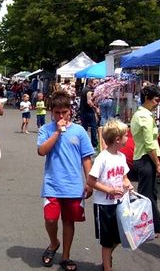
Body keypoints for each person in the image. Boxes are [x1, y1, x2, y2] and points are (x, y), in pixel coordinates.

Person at [37, 90, 95, 271]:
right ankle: (54, 243)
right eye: (57, 113)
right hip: (52, 184)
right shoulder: (45, 130)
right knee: (51, 219)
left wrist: (90, 181)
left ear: (70, 110)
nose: (61, 116)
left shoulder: (79, 131)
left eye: (64, 112)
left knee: (69, 221)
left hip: (73, 186)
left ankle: (66, 256)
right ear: (51, 112)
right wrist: (57, 133)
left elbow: (86, 158)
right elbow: (41, 151)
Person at [87, 119, 133, 271]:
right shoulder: (102, 158)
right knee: (107, 241)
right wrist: (109, 191)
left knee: (119, 236)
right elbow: (91, 181)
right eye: (126, 135)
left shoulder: (121, 157)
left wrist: (127, 184)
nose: (128, 137)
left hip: (119, 204)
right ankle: (107, 267)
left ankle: (106, 259)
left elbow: (124, 177)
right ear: (118, 139)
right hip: (104, 206)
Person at [130, 84, 160, 235]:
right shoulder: (144, 116)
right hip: (145, 158)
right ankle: (144, 226)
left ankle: (155, 225)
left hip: (144, 157)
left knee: (150, 194)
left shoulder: (142, 114)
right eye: (156, 100)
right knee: (146, 195)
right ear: (147, 99)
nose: (157, 103)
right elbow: (149, 145)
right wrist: (158, 164)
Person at [79, 79, 99, 148]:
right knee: (93, 127)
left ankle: (82, 142)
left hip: (83, 111)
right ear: (90, 82)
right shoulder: (89, 91)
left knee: (84, 128)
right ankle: (94, 143)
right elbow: (89, 102)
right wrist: (96, 108)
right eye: (94, 83)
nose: (95, 85)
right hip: (89, 112)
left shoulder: (84, 89)